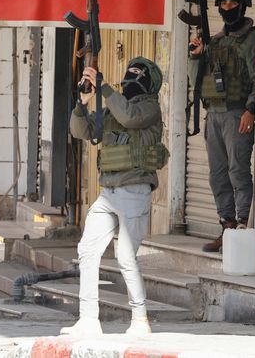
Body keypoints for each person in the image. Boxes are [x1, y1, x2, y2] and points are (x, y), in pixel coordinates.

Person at [62, 57, 168, 337]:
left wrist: (105, 88)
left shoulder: (149, 108)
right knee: (87, 250)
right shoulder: (112, 108)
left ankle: (140, 318)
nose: (132, 79)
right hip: (108, 192)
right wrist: (82, 103)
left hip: (134, 190)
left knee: (125, 257)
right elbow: (80, 131)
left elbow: (130, 117)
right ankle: (88, 319)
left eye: (138, 75)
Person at [189, 0, 255, 253]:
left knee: (238, 170)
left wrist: (251, 110)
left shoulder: (251, 39)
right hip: (214, 115)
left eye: (233, 3)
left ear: (243, 5)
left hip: (236, 113)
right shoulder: (214, 42)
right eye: (224, 3)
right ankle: (227, 226)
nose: (228, 8)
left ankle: (242, 226)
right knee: (218, 175)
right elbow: (196, 80)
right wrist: (196, 56)